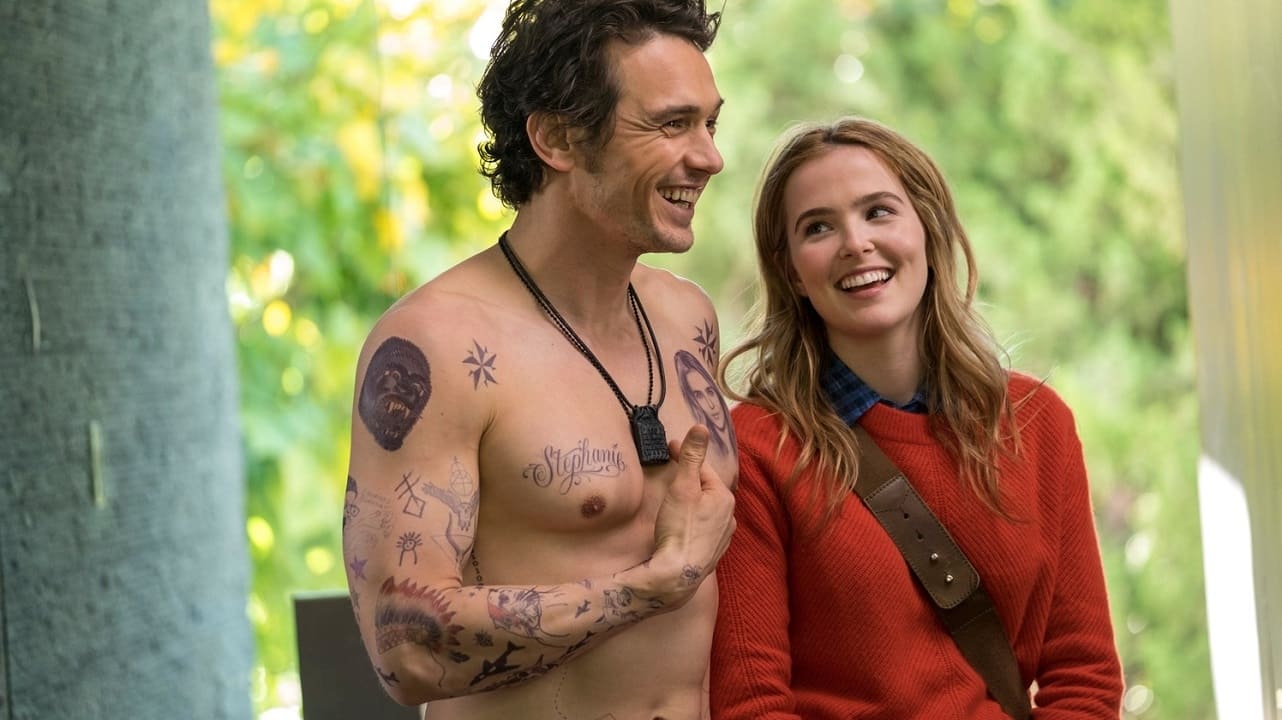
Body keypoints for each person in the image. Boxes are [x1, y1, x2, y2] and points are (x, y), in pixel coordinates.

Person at [341, 1, 738, 718]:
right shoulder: (436, 345)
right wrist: (651, 588)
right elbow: (408, 653)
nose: (710, 156)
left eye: (710, 124)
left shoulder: (688, 319)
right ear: (557, 138)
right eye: (672, 124)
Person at [709, 117, 1123, 719]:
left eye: (878, 212)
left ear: (928, 228)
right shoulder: (756, 451)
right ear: (792, 270)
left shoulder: (1036, 423)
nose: (855, 243)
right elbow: (753, 706)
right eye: (818, 227)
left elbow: (1085, 677)